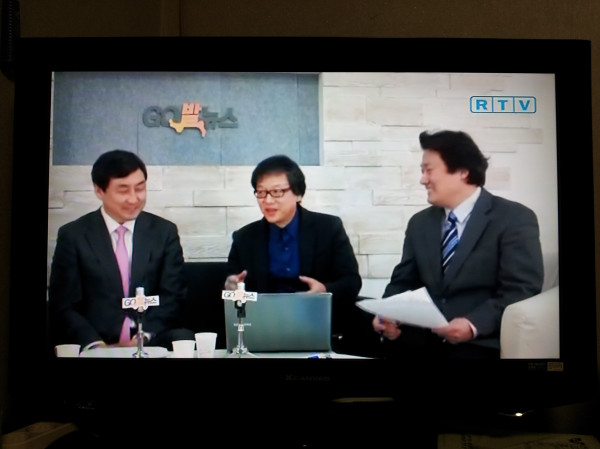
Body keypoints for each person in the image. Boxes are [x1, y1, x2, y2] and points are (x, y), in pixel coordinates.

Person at [372, 130, 544, 359]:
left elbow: (521, 289)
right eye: (422, 171)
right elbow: (403, 282)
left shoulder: (513, 218)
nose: (423, 179)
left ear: (463, 171)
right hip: (420, 340)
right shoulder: (419, 223)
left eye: (429, 170)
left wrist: (473, 324)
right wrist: (387, 315)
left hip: (479, 343)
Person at [48, 149, 193, 350]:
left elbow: (173, 295)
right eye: (123, 191)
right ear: (99, 190)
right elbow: (63, 304)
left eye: (140, 188)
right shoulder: (74, 235)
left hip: (149, 336)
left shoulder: (164, 232)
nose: (134, 199)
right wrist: (94, 344)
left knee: (183, 337)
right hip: (96, 338)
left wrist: (143, 336)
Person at [225, 155, 362, 347]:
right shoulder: (244, 238)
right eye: (261, 192)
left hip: (318, 327)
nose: (268, 200)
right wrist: (230, 287)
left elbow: (351, 281)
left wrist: (324, 291)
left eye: (277, 192)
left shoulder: (328, 228)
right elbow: (231, 284)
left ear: (298, 193)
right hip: (264, 331)